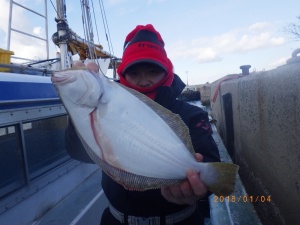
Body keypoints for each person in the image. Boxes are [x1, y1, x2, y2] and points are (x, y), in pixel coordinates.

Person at [66, 24, 220, 225]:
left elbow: (210, 165)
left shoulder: (191, 114)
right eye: (135, 73)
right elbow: (78, 152)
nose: (144, 81)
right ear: (123, 75)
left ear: (166, 72)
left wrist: (198, 190)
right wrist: (79, 107)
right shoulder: (105, 110)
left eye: (152, 71)